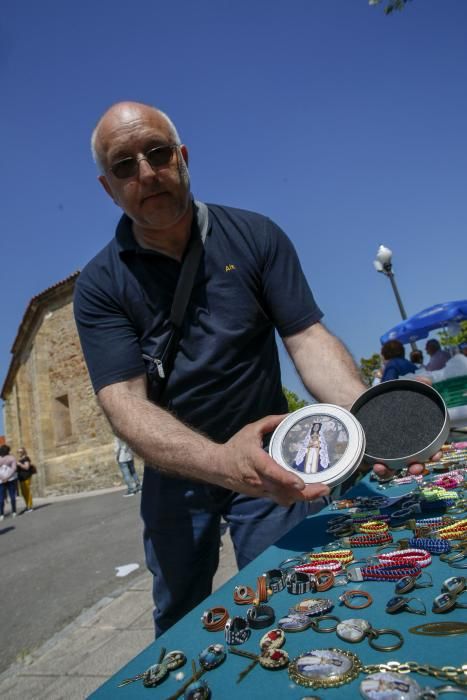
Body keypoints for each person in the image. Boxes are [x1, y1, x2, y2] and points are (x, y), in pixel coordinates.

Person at [74, 101, 433, 636]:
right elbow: (123, 400)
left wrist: (368, 425)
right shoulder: (100, 284)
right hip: (175, 474)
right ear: (108, 187)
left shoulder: (256, 235)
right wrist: (219, 460)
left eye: (157, 152)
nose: (146, 172)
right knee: (181, 618)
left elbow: (308, 340)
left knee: (295, 594)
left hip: (273, 458)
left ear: (183, 157)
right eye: (124, 164)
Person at [0, 444, 18, 520]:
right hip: (11, 479)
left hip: (1, 480)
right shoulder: (12, 458)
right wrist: (7, 477)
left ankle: (1, 514)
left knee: (1, 498)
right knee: (12, 496)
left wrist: (3, 478)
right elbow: (14, 468)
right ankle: (14, 512)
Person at [16, 446, 35, 513]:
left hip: (26, 476)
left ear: (24, 452)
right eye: (18, 452)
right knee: (24, 493)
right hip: (21, 478)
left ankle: (30, 506)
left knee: (27, 492)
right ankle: (27, 506)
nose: (19, 453)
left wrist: (20, 464)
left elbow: (27, 467)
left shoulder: (26, 458)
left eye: (20, 451)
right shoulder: (20, 459)